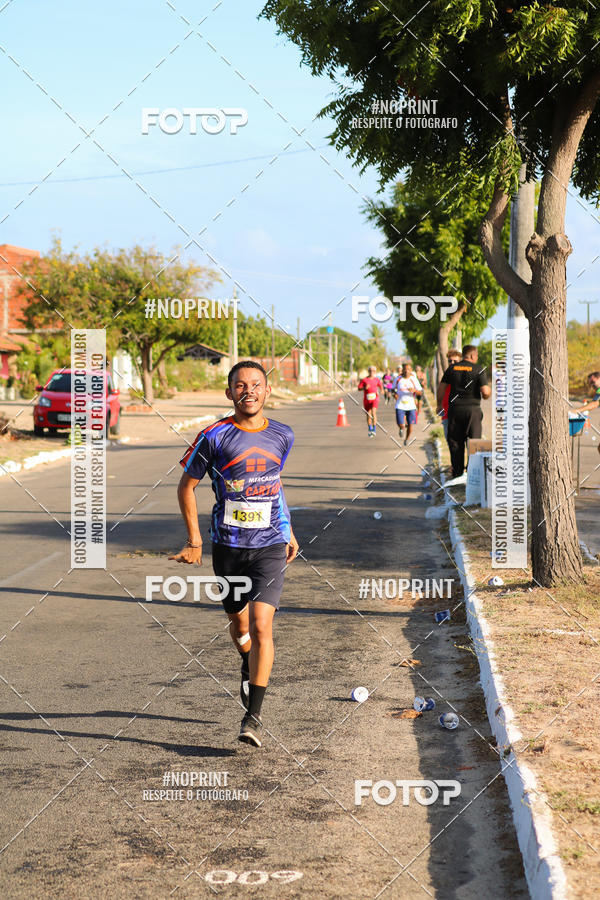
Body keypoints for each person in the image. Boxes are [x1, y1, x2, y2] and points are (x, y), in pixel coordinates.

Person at [170, 361, 299, 748]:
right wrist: (195, 541)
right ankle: (246, 659)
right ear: (229, 393)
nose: (249, 391)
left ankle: (253, 717)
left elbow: (274, 485)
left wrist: (288, 528)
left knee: (262, 626)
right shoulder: (212, 437)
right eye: (240, 386)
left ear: (267, 391)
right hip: (228, 547)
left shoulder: (283, 434)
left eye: (256, 385)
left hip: (270, 545)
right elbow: (185, 488)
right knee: (239, 626)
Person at [436, 345, 491, 478]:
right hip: (473, 412)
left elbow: (441, 388)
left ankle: (457, 473)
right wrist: (487, 393)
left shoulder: (452, 369)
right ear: (472, 355)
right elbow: (485, 392)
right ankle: (473, 473)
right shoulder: (478, 369)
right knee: (474, 442)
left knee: (455, 442)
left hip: (455, 411)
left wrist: (439, 405)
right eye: (476, 356)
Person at [393, 362, 422, 445]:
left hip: (411, 406)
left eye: (408, 369)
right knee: (400, 424)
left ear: (411, 370)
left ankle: (407, 439)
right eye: (405, 369)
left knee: (410, 424)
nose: (406, 371)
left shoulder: (413, 379)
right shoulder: (398, 379)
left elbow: (420, 392)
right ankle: (401, 428)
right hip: (400, 405)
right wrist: (394, 394)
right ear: (402, 370)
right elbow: (392, 389)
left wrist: (414, 390)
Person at [439, 349, 462, 439]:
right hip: (447, 415)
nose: (452, 363)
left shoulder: (465, 376)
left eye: (455, 361)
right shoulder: (446, 375)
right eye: (450, 361)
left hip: (461, 414)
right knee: (450, 443)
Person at [357, 366, 383, 437]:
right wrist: (364, 388)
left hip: (375, 398)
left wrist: (382, 390)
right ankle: (370, 428)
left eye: (373, 371)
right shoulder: (364, 380)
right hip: (367, 399)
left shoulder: (377, 379)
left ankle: (374, 429)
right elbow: (359, 388)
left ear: (375, 372)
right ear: (368, 371)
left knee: (374, 412)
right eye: (370, 371)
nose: (372, 372)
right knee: (368, 414)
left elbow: (380, 386)